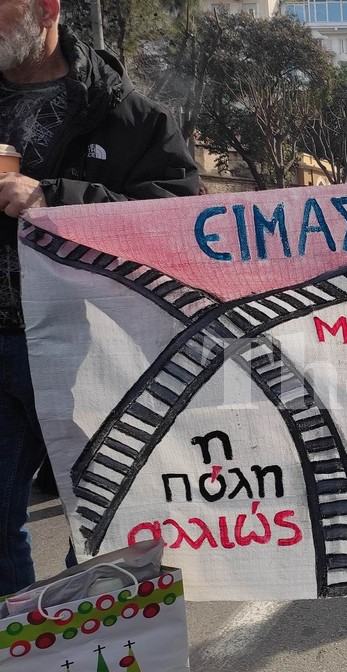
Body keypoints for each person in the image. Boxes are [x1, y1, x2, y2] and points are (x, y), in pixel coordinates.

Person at [0, 0, 199, 595]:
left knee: (108, 521)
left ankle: (101, 640)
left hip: (89, 349)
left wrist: (55, 199)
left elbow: (174, 225)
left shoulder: (133, 118)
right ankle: (17, 645)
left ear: (46, 9)